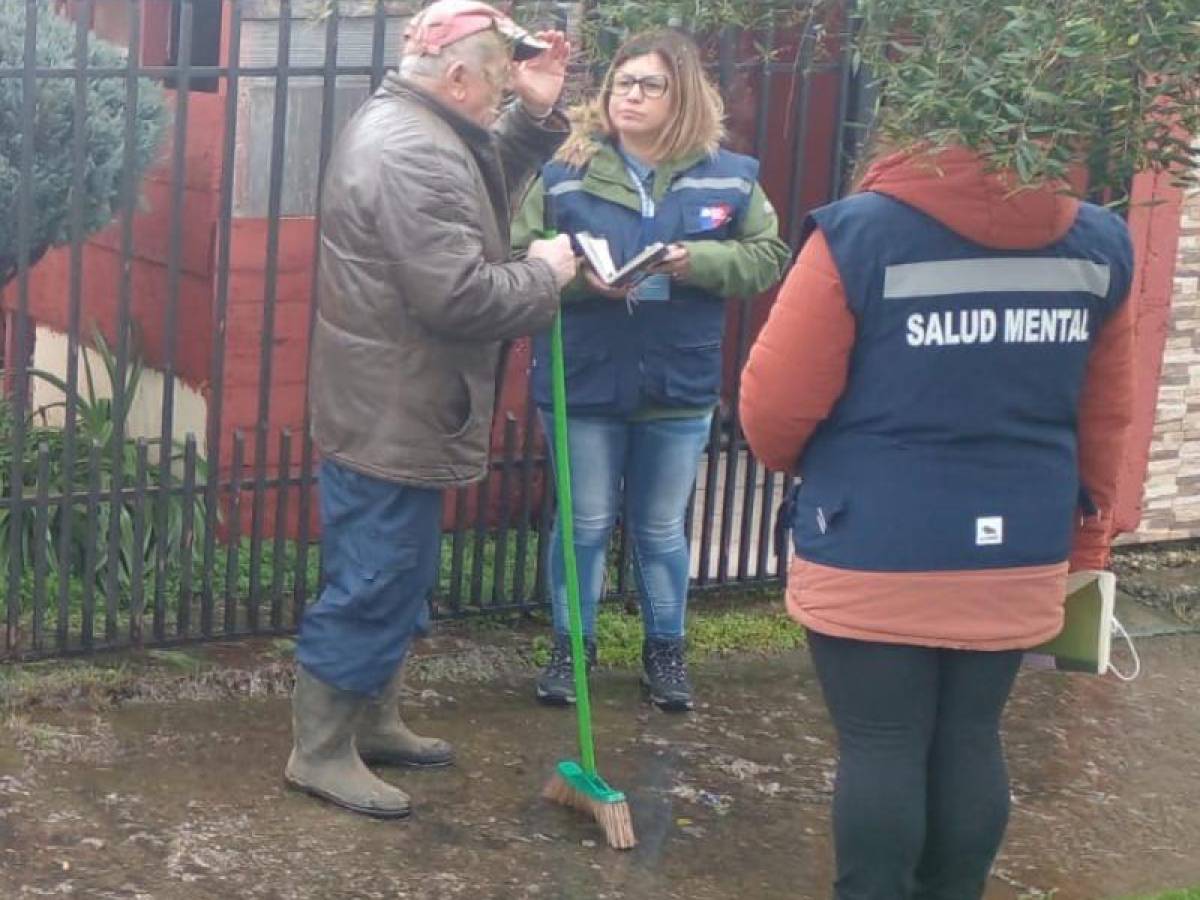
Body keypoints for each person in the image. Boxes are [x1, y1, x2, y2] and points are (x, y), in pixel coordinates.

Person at [740, 143, 1135, 898]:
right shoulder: (1099, 242)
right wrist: (1089, 533)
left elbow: (773, 406)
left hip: (876, 536)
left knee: (881, 743)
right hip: (1018, 540)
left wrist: (816, 466)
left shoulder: (858, 235)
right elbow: (1105, 412)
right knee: (971, 736)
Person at [289, 0, 579, 819]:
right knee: (374, 579)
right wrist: (546, 274)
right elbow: (457, 294)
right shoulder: (410, 149)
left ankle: (371, 720)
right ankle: (319, 751)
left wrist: (532, 110)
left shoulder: (421, 127)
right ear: (456, 76)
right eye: (493, 83)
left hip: (396, 401)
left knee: (398, 574)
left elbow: (471, 200)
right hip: (392, 409)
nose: (495, 98)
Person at [512, 29, 790, 712]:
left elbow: (769, 256)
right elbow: (521, 255)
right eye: (621, 83)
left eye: (648, 85)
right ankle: (570, 649)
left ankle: (665, 650)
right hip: (583, 375)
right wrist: (582, 279)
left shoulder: (730, 175)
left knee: (661, 526)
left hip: (677, 380)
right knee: (582, 523)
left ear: (682, 94)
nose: (629, 96)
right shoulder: (565, 170)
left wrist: (695, 261)